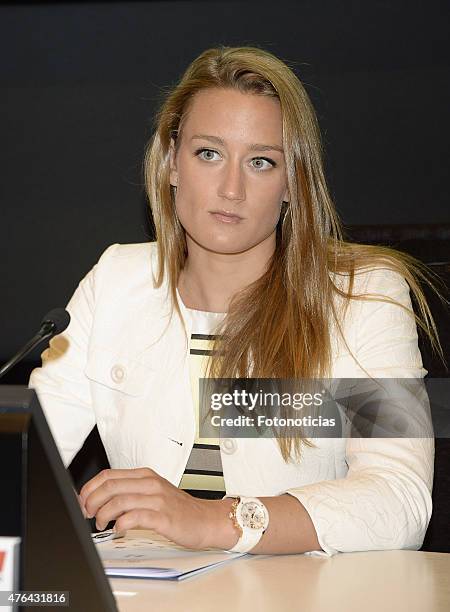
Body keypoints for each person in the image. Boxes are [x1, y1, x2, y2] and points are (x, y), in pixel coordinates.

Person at [29, 45, 443, 557]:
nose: (231, 189)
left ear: (293, 182)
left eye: (261, 162)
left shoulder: (365, 294)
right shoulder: (115, 279)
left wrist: (212, 520)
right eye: (209, 153)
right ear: (172, 162)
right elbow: (28, 459)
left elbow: (399, 501)